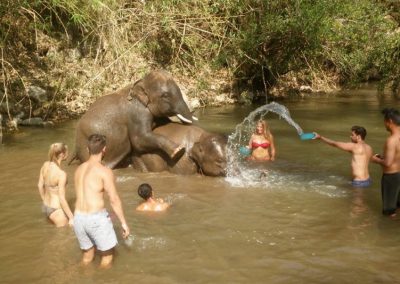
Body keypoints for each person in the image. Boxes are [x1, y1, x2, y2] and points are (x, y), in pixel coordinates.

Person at [73, 134, 130, 268]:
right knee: (107, 257)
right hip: (95, 218)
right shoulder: (104, 171)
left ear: (88, 149)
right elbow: (114, 200)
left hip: (78, 218)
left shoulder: (78, 170)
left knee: (87, 257)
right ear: (104, 149)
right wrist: (124, 223)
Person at [371, 108, 400, 217]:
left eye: (385, 121)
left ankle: (387, 230)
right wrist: (384, 157)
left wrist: (375, 159)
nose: (384, 124)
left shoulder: (391, 140)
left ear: (390, 121)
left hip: (391, 177)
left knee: (389, 211)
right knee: (398, 206)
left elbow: (388, 163)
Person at [37, 143, 74, 227]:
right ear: (62, 154)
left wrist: (44, 201)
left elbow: (40, 185)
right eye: (66, 152)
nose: (68, 154)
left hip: (45, 207)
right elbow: (61, 198)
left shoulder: (45, 165)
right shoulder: (61, 174)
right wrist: (71, 217)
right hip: (57, 210)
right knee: (63, 238)